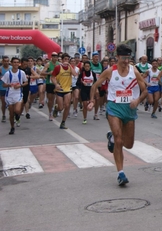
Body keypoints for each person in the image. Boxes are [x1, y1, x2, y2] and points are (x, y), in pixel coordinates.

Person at [88, 44, 147, 186]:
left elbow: (145, 90)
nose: (126, 61)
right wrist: (91, 101)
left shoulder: (134, 72)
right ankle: (120, 173)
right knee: (119, 140)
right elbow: (95, 86)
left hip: (129, 110)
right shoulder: (110, 72)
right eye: (123, 58)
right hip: (114, 108)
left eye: (128, 58)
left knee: (129, 144)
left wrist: (137, 99)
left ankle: (111, 138)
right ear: (118, 57)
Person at [1, 57, 28, 134]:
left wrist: (20, 86)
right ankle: (12, 127)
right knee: (11, 113)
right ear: (11, 63)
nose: (16, 64)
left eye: (17, 62)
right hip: (9, 95)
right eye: (14, 62)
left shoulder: (21, 73)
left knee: (17, 110)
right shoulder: (7, 74)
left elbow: (26, 82)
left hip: (18, 94)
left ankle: (18, 116)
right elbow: (3, 85)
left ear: (19, 63)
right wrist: (9, 84)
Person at [51, 53, 78, 129]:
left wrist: (69, 66)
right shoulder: (58, 67)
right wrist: (56, 84)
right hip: (60, 89)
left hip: (68, 89)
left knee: (67, 105)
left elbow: (75, 74)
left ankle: (63, 122)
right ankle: (56, 109)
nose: (66, 61)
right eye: (65, 59)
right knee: (61, 108)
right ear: (62, 60)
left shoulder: (70, 67)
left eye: (68, 59)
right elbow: (52, 77)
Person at [41, 52, 59, 121]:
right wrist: (49, 73)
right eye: (54, 56)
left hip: (57, 83)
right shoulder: (48, 64)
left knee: (57, 98)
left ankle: (55, 109)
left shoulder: (58, 64)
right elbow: (42, 73)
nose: (55, 58)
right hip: (49, 83)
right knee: (51, 100)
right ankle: (50, 113)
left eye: (56, 56)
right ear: (51, 57)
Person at [90, 52, 103, 120]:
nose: (96, 58)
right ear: (92, 57)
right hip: (90, 84)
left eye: (97, 57)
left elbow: (101, 73)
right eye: (95, 57)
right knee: (95, 96)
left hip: (98, 83)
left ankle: (96, 113)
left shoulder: (100, 65)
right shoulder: (90, 64)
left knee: (98, 98)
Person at [0, 56, 10, 122]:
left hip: (10, 88)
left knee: (11, 103)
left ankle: (12, 115)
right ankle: (3, 115)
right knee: (3, 103)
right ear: (2, 62)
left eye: (7, 61)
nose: (6, 62)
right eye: (5, 61)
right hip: (2, 88)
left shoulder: (12, 68)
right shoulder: (0, 69)